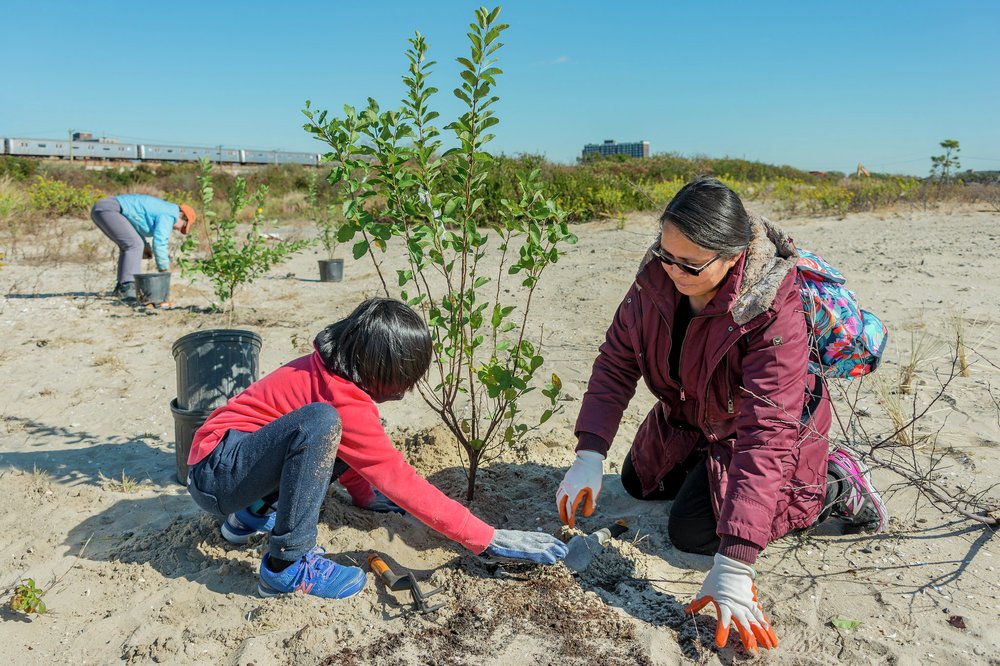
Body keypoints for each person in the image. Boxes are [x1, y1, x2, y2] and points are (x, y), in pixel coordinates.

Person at [555, 177, 889, 655]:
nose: (672, 270)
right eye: (665, 254)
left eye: (690, 263)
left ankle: (835, 486)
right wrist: (588, 452)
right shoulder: (655, 279)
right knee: (636, 481)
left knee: (692, 533)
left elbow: (767, 433)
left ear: (734, 255)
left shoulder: (771, 305)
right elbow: (616, 361)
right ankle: (710, 476)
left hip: (771, 430)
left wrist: (735, 563)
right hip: (695, 414)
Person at [187, 298, 568, 599]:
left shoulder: (329, 371)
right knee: (321, 424)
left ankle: (248, 518)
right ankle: (286, 567)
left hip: (226, 466)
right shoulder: (342, 402)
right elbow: (401, 481)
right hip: (219, 474)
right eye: (402, 378)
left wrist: (364, 497)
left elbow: (345, 454)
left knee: (322, 432)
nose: (404, 390)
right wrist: (487, 538)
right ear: (378, 369)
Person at [89, 194, 196, 302]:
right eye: (182, 226)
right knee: (134, 245)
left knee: (132, 245)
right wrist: (163, 269)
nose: (178, 229)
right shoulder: (169, 214)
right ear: (182, 216)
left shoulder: (164, 209)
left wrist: (145, 245)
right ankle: (127, 286)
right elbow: (160, 242)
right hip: (109, 209)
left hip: (103, 208)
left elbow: (132, 225)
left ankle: (122, 287)